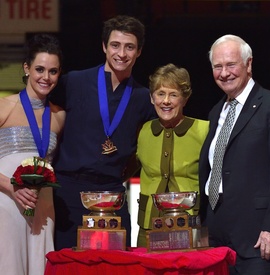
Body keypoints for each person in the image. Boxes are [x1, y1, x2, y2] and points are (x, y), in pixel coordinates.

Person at [49, 15, 156, 250]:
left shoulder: (142, 97)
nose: (122, 53)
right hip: (68, 193)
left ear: (139, 51)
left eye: (130, 47)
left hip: (113, 194)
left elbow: (147, 145)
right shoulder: (74, 82)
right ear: (104, 46)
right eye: (115, 45)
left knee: (117, 265)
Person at [199, 34, 270, 274]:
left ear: (248, 64)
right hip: (217, 235)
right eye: (217, 66)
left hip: (257, 238)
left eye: (231, 65)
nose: (224, 73)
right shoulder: (215, 111)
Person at [0, 34, 65, 275]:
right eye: (39, 69)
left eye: (53, 71)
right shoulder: (4, 107)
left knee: (39, 266)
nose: (45, 77)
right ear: (26, 68)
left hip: (43, 204)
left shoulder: (59, 117)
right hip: (7, 203)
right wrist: (12, 187)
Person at [136, 63, 209, 247]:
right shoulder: (144, 131)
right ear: (152, 98)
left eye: (173, 94)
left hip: (191, 227)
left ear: (185, 99)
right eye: (160, 94)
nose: (166, 101)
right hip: (149, 227)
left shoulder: (204, 130)